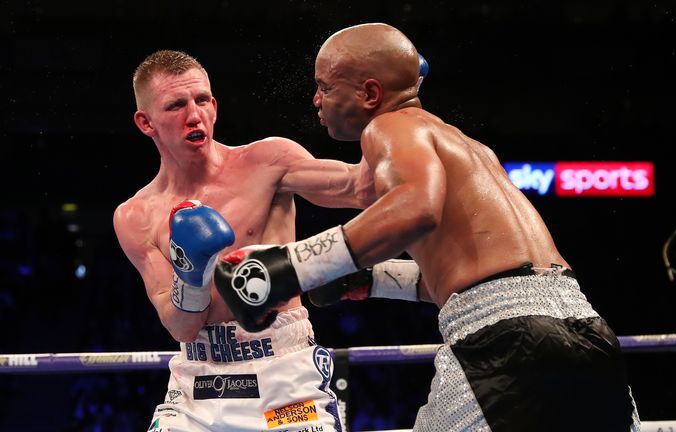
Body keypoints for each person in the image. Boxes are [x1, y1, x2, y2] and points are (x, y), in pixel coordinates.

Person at [213, 23, 642, 431]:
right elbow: (484, 274)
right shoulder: (466, 147)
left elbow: (416, 208)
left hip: (507, 343)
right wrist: (372, 278)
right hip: (586, 331)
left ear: (370, 93)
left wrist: (291, 266)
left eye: (325, 86)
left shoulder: (388, 126)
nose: (316, 100)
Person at [112, 49, 377, 432]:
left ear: (214, 107)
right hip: (198, 383)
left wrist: (391, 109)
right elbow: (182, 328)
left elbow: (362, 189)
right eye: (175, 105)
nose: (194, 114)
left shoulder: (268, 163)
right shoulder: (135, 216)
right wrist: (192, 274)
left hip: (282, 374)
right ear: (146, 122)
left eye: (202, 100)